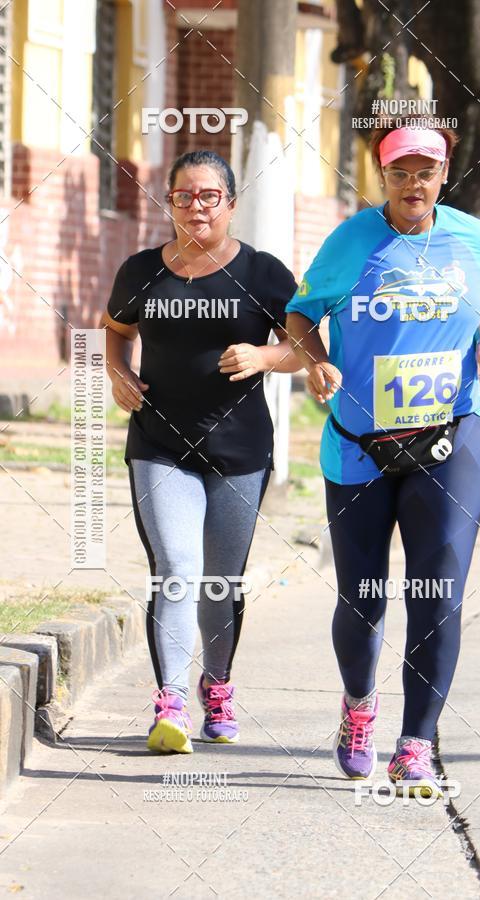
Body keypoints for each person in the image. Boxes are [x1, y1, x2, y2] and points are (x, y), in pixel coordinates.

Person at [286, 124, 480, 797]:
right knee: (364, 597)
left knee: (438, 595)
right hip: (360, 447)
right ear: (384, 178)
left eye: (426, 172)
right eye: (401, 173)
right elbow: (299, 314)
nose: (415, 184)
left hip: (451, 437)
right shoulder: (352, 243)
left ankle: (415, 742)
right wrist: (317, 361)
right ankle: (357, 708)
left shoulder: (474, 239)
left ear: (444, 176)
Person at [101, 150, 301, 753]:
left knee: (221, 580)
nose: (195, 206)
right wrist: (117, 373)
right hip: (159, 446)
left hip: (240, 452)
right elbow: (114, 329)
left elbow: (306, 349)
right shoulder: (141, 271)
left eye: (209, 195)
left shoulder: (264, 274)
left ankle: (217, 686)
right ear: (171, 202)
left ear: (231, 204)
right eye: (184, 196)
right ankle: (171, 702)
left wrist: (264, 357)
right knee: (177, 568)